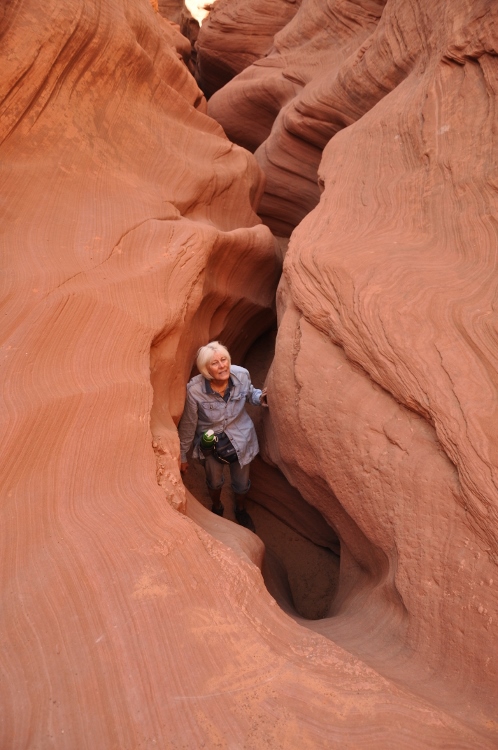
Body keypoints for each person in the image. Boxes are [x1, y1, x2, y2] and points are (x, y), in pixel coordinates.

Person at [178, 341, 268, 531]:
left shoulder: (241, 375)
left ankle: (240, 509)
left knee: (242, 483)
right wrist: (183, 455)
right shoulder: (195, 390)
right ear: (205, 369)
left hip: (241, 437)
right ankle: (217, 507)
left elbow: (249, 393)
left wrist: (260, 398)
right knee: (214, 481)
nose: (222, 366)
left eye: (224, 359)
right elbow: (188, 424)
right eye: (215, 363)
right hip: (211, 444)